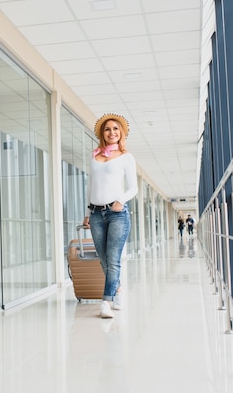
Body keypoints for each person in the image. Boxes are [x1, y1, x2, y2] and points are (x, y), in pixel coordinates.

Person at [82, 113, 138, 319]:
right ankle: (119, 291)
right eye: (107, 129)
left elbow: (134, 188)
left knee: (113, 260)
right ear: (102, 134)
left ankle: (106, 301)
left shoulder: (126, 157)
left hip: (117, 214)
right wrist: (87, 213)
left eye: (115, 129)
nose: (112, 132)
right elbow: (90, 186)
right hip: (96, 214)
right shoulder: (94, 155)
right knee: (104, 260)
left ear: (121, 133)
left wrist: (121, 200)